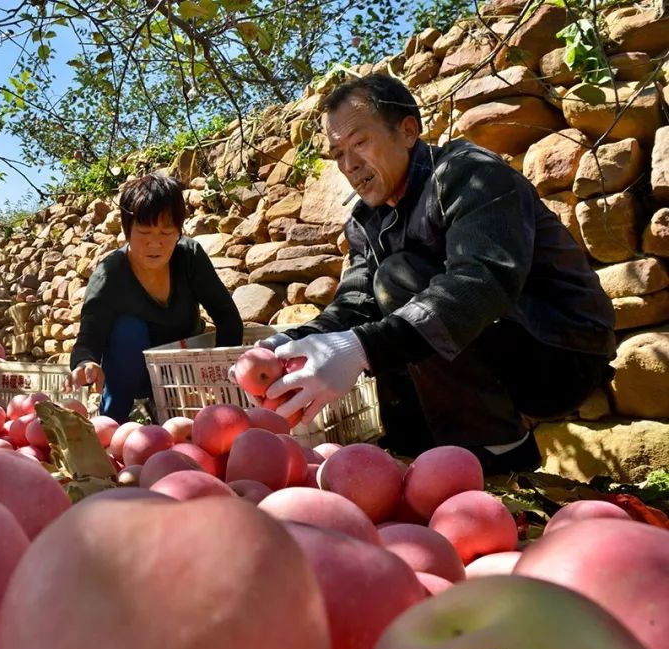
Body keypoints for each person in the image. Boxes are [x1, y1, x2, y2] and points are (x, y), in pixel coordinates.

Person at [262, 74, 616, 473]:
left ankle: (501, 456)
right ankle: (417, 459)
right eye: (338, 154)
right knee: (381, 314)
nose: (349, 165)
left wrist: (362, 348)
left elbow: (483, 279)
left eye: (359, 143)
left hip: (562, 349)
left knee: (396, 282)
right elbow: (354, 304)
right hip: (496, 344)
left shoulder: (471, 174)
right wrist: (288, 341)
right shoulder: (365, 222)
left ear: (408, 131)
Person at [68, 173, 244, 422]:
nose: (155, 244)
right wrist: (86, 363)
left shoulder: (189, 257)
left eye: (166, 232)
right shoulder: (110, 276)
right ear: (127, 230)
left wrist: (225, 376)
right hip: (135, 375)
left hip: (185, 370)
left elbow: (226, 316)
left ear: (179, 231)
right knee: (127, 330)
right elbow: (89, 338)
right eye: (144, 232)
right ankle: (113, 423)